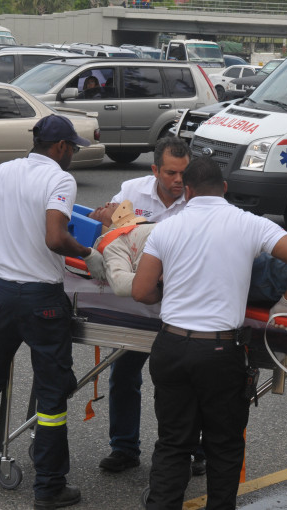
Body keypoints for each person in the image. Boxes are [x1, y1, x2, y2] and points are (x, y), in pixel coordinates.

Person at [131, 156, 287, 509]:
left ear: (188, 191)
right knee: (224, 446)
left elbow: (141, 291)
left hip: (171, 346)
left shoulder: (166, 228)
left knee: (173, 444)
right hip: (219, 352)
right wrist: (285, 304)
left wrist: (167, 294)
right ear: (226, 188)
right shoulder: (248, 223)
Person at [0, 114, 105, 510]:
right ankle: (49, 487)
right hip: (42, 301)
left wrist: (13, 236)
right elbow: (56, 238)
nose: (72, 155)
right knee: (51, 395)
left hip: (1, 296)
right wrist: (88, 253)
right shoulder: (59, 180)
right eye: (72, 148)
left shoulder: (4, 171)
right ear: (61, 147)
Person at [89, 200, 287, 337]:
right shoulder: (111, 243)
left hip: (217, 257)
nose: (106, 204)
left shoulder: (138, 225)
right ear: (98, 225)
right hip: (212, 270)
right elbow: (122, 284)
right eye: (98, 209)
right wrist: (157, 279)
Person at [97, 137, 193, 474]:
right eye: (170, 173)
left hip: (179, 310)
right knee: (123, 376)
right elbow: (107, 232)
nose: (179, 180)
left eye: (184, 173)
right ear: (155, 170)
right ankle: (124, 448)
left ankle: (193, 450)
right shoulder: (131, 192)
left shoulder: (198, 198)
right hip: (135, 308)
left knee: (185, 383)